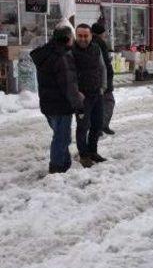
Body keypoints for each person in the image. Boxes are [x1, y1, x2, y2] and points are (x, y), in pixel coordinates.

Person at [30, 25, 84, 174]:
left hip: (48, 104)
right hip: (61, 105)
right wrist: (79, 105)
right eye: (72, 38)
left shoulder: (46, 53)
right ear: (67, 39)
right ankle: (57, 167)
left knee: (61, 136)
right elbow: (69, 85)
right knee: (61, 138)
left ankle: (64, 163)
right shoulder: (62, 56)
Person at [73, 23, 107, 168]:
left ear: (91, 35)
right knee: (83, 126)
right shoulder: (71, 51)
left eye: (86, 36)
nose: (83, 39)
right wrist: (75, 92)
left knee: (97, 124)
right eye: (80, 36)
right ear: (76, 35)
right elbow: (68, 74)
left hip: (96, 93)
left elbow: (102, 67)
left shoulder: (96, 48)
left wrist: (103, 86)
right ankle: (84, 155)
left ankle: (93, 151)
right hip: (81, 97)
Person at [91, 23, 115, 135]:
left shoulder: (91, 42)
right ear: (100, 33)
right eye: (104, 33)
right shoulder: (100, 43)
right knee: (108, 102)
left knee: (98, 104)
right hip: (103, 79)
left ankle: (99, 126)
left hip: (96, 78)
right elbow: (103, 64)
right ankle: (101, 126)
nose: (105, 35)